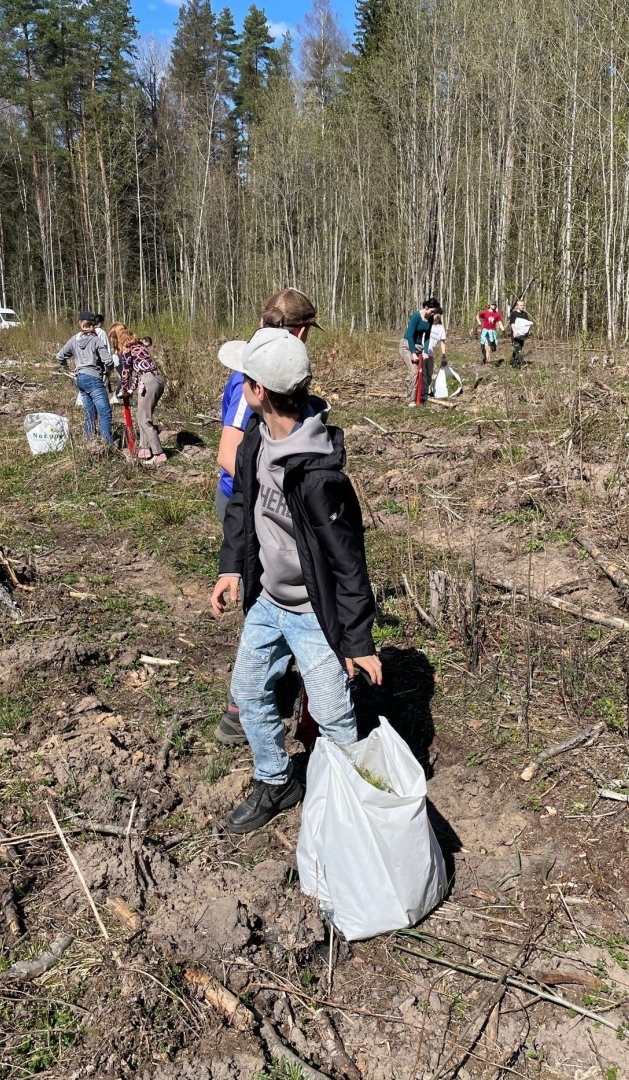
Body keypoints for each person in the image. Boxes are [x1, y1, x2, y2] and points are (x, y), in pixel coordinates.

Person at [211, 328, 382, 834]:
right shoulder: (256, 442)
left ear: (258, 391)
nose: (239, 383)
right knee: (249, 690)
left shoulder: (318, 474)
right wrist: (229, 567)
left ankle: (358, 799)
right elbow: (242, 507)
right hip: (268, 602)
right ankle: (276, 779)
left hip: (313, 614)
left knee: (333, 714)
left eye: (244, 377)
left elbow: (349, 562)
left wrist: (357, 641)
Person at [213, 288, 322, 746]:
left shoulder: (270, 368)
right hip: (249, 505)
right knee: (264, 604)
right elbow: (227, 453)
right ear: (298, 331)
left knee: (272, 605)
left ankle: (264, 696)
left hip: (265, 503)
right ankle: (243, 709)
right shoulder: (251, 378)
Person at [109, 323, 166, 464]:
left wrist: (123, 389)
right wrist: (130, 389)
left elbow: (126, 372)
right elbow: (139, 372)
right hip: (156, 378)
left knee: (143, 419)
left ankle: (159, 454)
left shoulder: (128, 349)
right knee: (142, 415)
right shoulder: (139, 345)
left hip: (148, 381)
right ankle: (144, 449)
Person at [57, 312, 114, 445]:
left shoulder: (73, 340)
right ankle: (108, 446)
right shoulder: (96, 340)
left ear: (80, 324)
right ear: (93, 324)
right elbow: (108, 361)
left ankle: (90, 442)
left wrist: (68, 370)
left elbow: (60, 356)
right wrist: (109, 371)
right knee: (105, 413)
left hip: (80, 379)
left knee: (89, 413)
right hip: (94, 378)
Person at [400, 297, 441, 405]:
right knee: (414, 371)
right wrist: (413, 353)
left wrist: (426, 351)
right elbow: (409, 335)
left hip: (418, 346)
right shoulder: (416, 316)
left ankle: (421, 395)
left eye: (435, 312)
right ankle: (411, 400)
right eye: (432, 311)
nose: (433, 314)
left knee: (422, 373)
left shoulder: (430, 319)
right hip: (407, 346)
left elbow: (427, 337)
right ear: (426, 307)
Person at [509, 299, 533, 365]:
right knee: (517, 348)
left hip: (522, 335)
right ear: (517, 306)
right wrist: (515, 332)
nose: (522, 307)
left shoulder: (524, 314)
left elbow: (527, 324)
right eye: (521, 305)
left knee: (518, 349)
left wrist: (527, 333)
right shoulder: (513, 314)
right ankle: (521, 363)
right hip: (515, 335)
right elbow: (512, 324)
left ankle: (512, 363)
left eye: (523, 305)